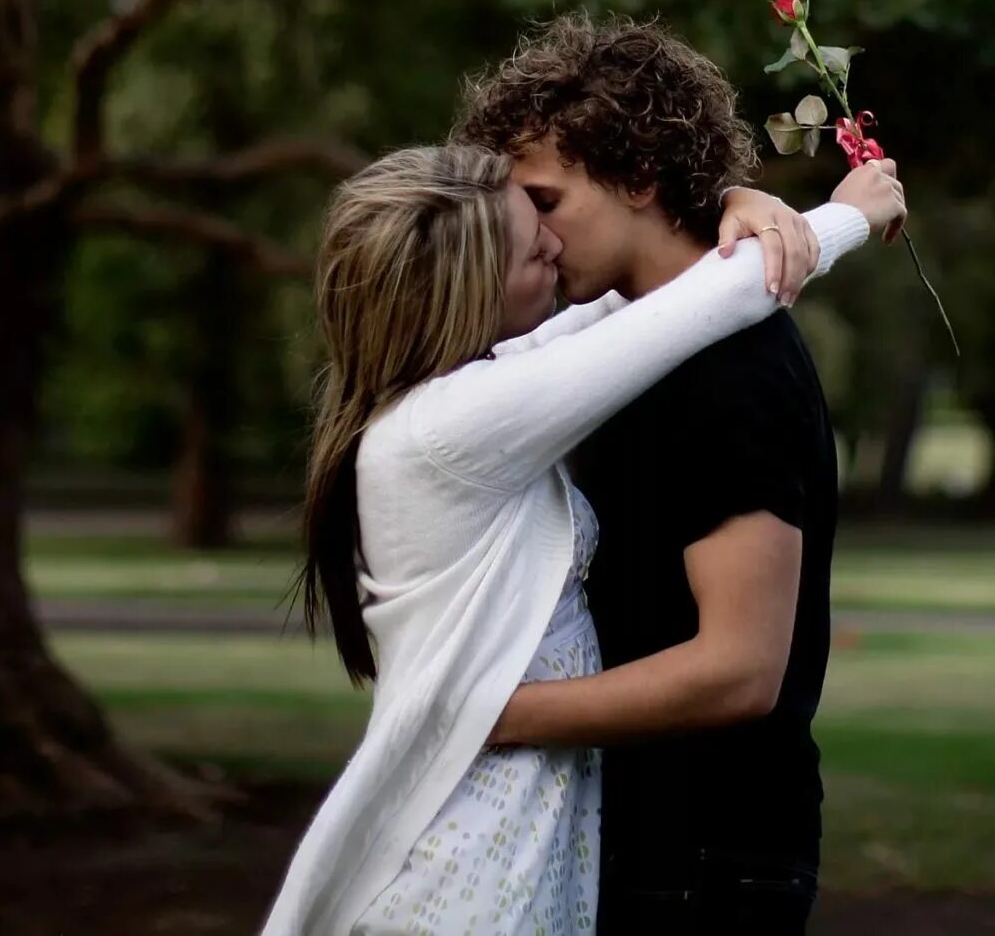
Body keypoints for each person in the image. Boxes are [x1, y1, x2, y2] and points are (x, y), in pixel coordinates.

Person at [258, 136, 906, 935]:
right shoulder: (454, 429)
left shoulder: (451, 403)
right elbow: (690, 309)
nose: (556, 248)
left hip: (522, 852)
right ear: (468, 291)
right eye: (536, 247)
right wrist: (847, 214)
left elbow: (650, 298)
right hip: (474, 878)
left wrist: (730, 208)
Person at [456, 15, 887, 933]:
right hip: (643, 840)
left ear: (641, 178)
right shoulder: (628, 339)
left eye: (546, 199)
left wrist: (495, 716)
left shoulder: (735, 369)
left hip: (709, 857)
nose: (531, 233)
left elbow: (739, 668)